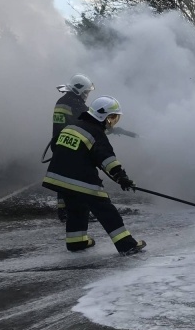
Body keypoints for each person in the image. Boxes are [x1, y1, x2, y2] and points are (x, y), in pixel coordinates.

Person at [42, 95, 146, 256]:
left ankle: (76, 241)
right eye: (113, 118)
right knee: (106, 209)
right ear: (105, 117)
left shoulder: (72, 126)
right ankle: (127, 245)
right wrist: (121, 177)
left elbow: (56, 145)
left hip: (57, 177)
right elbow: (107, 159)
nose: (113, 122)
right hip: (80, 179)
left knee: (76, 208)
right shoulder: (96, 133)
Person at [50, 74, 95, 222]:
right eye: (86, 92)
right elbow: (89, 122)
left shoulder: (62, 101)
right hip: (72, 145)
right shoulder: (76, 104)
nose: (87, 95)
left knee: (63, 178)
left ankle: (63, 211)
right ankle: (78, 211)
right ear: (78, 90)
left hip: (59, 143)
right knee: (79, 178)